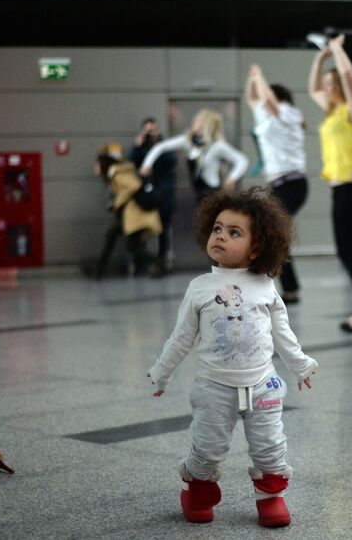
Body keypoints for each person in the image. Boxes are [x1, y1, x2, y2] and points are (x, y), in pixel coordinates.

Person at [146, 188, 318, 529]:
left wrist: (300, 365)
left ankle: (271, 497)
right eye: (217, 229)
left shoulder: (266, 286)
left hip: (263, 385)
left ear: (256, 248)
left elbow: (282, 333)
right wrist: (161, 372)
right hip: (214, 387)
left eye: (233, 232)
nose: (221, 236)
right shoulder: (199, 288)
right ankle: (196, 487)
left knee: (271, 447)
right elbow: (181, 338)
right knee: (208, 448)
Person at [308, 33, 352, 333]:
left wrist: (338, 53)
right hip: (340, 190)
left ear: (338, 86)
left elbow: (350, 78)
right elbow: (312, 87)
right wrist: (321, 57)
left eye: (330, 84)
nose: (325, 89)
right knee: (347, 254)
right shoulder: (334, 112)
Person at [245, 64, 308, 304]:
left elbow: (269, 102)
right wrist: (252, 80)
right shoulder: (265, 114)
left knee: (271, 233)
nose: (262, 100)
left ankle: (283, 287)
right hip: (277, 186)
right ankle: (287, 287)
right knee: (272, 235)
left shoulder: (288, 112)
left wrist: (260, 76)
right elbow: (252, 99)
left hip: (293, 184)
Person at [140, 109, 248, 201]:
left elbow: (242, 160)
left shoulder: (217, 145)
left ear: (205, 124)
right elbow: (161, 147)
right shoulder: (187, 141)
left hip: (213, 193)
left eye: (197, 120)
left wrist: (232, 178)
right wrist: (147, 164)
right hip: (198, 194)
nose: (193, 121)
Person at [94, 144, 165, 278]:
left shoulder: (116, 173)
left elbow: (134, 185)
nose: (95, 168)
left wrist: (118, 203)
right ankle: (99, 270)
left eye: (96, 165)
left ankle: (161, 265)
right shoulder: (113, 175)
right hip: (129, 215)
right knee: (121, 240)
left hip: (134, 214)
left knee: (130, 245)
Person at [131, 117, 177, 262]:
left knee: (164, 231)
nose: (151, 133)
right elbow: (132, 163)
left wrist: (159, 144)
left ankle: (162, 261)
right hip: (146, 196)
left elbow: (172, 161)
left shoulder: (164, 145)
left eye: (153, 130)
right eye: (148, 131)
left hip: (164, 194)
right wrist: (138, 146)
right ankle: (142, 263)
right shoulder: (141, 148)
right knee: (143, 230)